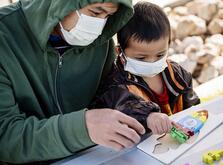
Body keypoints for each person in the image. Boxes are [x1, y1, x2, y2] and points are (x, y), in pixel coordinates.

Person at [0, 0, 146, 164]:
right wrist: (81, 129)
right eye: (96, 12)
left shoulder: (100, 41)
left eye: (108, 16)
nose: (99, 26)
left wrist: (145, 114)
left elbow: (111, 92)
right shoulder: (4, 36)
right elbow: (5, 137)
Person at [92, 2, 200, 135]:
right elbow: (123, 105)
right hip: (141, 147)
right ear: (119, 51)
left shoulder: (176, 74)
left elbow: (193, 104)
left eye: (160, 55)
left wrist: (194, 119)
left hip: (178, 141)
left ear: (168, 44)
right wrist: (148, 116)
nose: (152, 62)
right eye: (141, 58)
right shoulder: (116, 83)